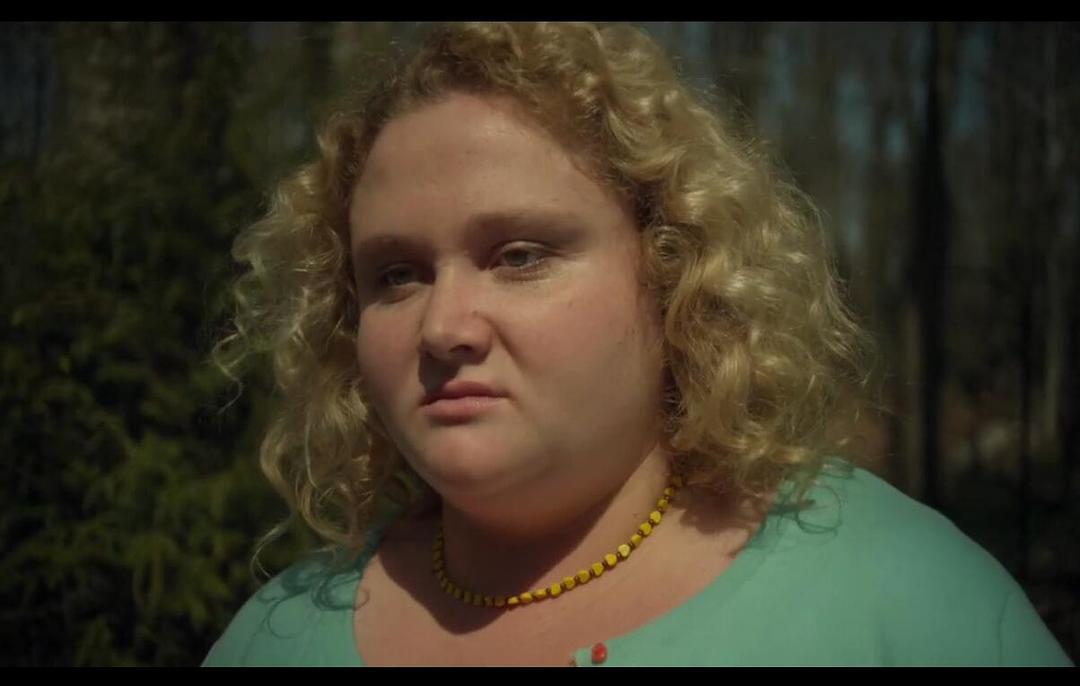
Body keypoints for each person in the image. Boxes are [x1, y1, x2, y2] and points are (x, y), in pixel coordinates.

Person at [203, 22, 1071, 666]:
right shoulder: (280, 637)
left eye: (519, 256)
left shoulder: (902, 599)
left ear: (670, 271)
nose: (444, 327)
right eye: (396, 275)